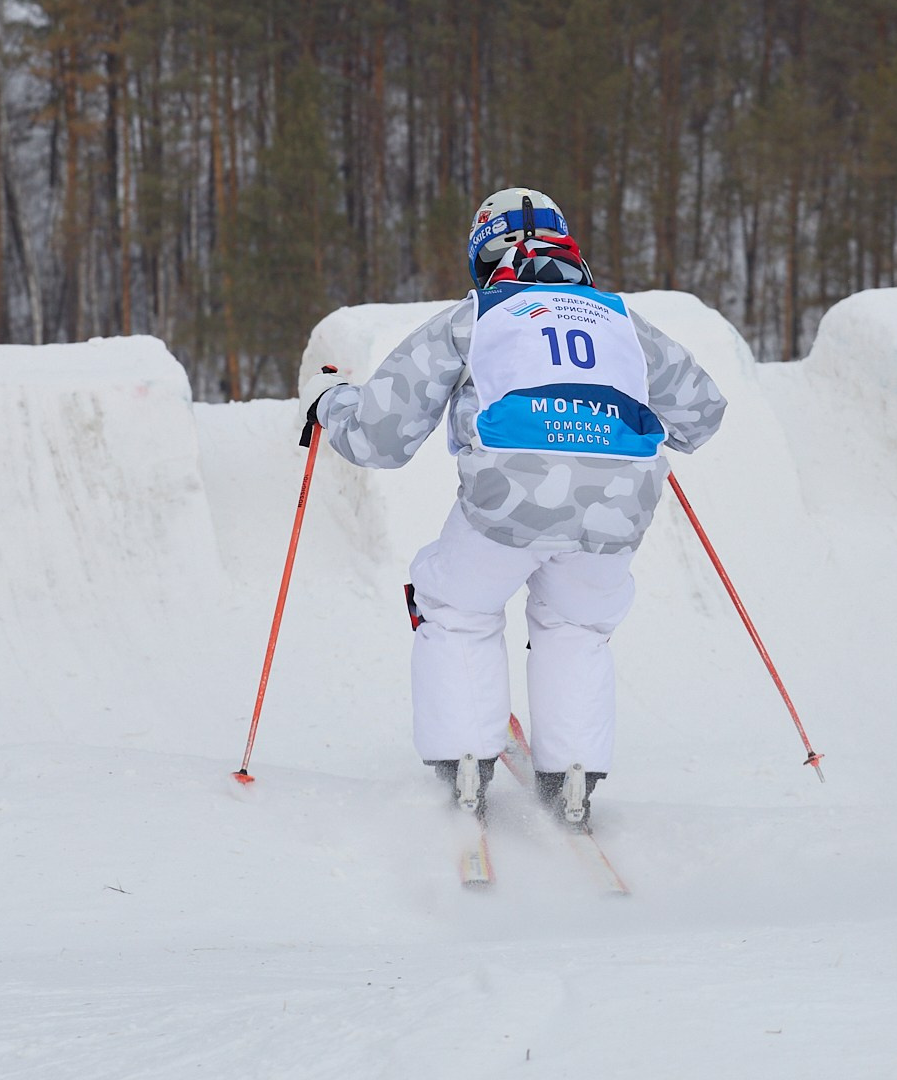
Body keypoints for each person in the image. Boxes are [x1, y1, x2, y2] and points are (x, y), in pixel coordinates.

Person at [300, 187, 727, 829]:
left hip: (506, 499)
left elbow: (380, 438)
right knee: (577, 624)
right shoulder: (621, 322)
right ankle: (573, 776)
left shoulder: (476, 318)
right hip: (619, 506)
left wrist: (331, 404)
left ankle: (465, 762)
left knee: (456, 605)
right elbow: (701, 416)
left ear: (481, 256)